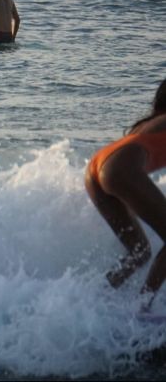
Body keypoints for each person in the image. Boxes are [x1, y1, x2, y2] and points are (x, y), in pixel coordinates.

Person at [85, 78, 166, 310]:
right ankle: (143, 308)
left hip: (96, 168)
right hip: (119, 168)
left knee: (139, 252)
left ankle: (94, 301)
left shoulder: (150, 124)